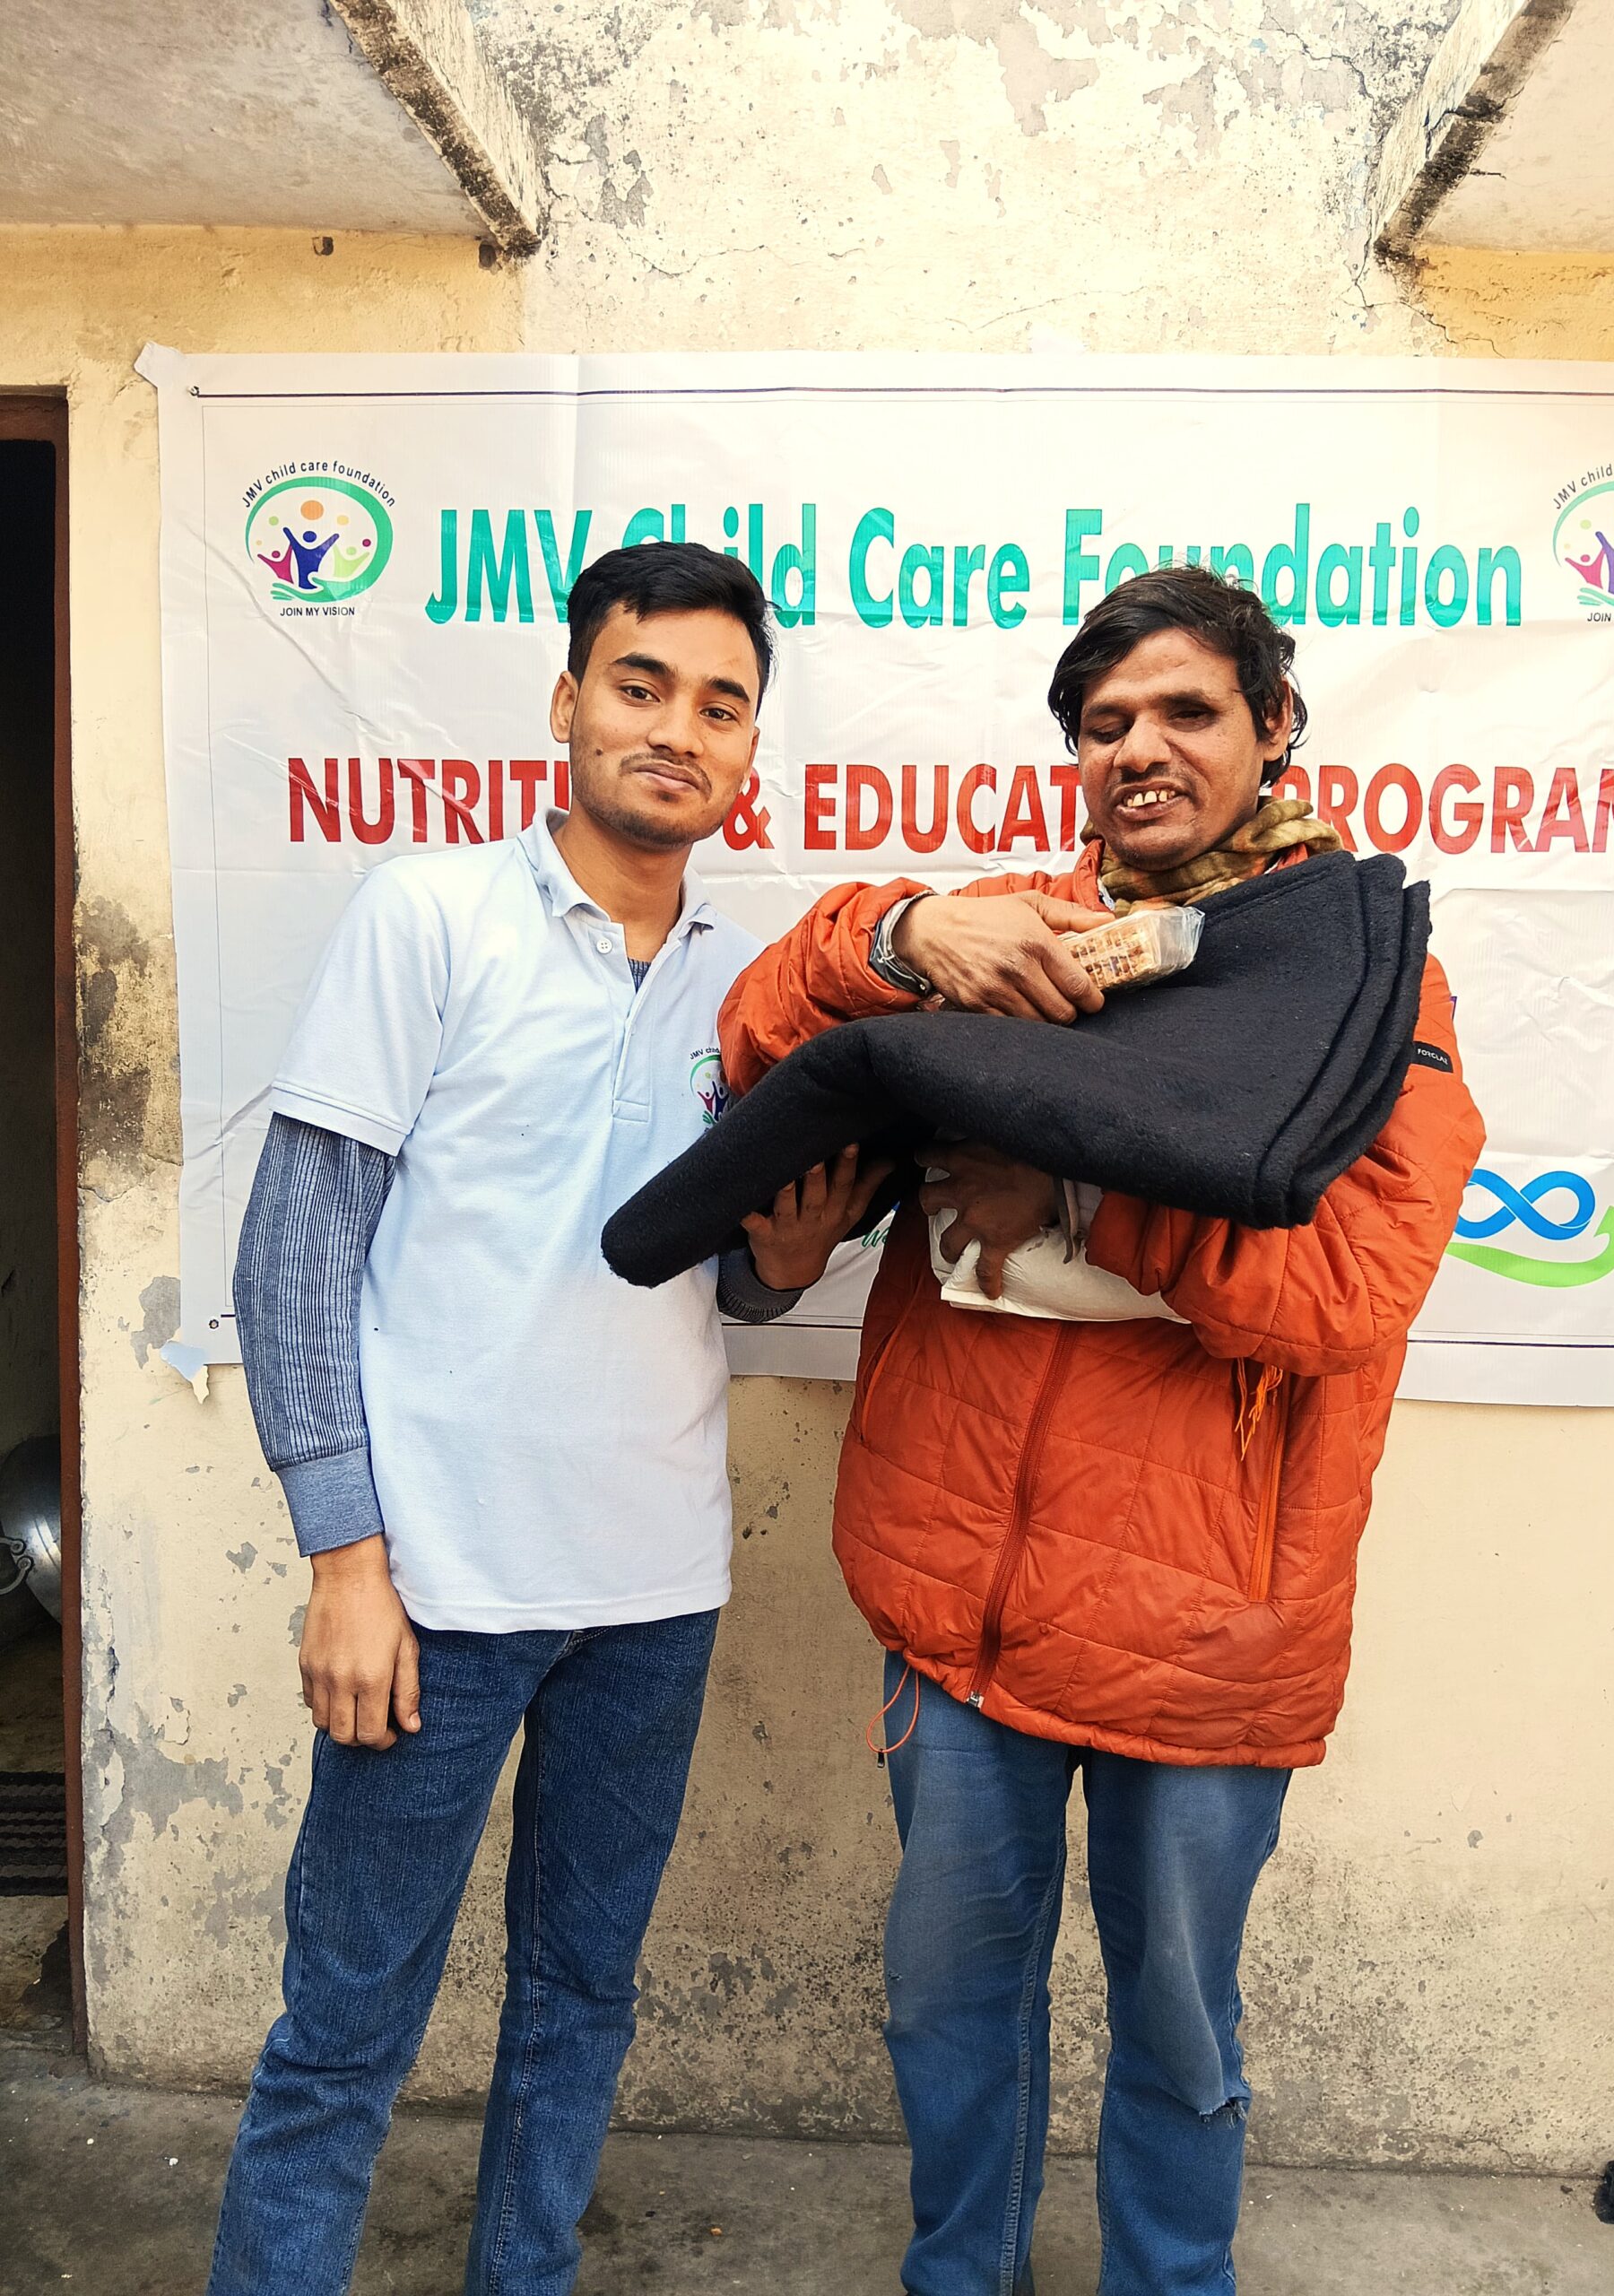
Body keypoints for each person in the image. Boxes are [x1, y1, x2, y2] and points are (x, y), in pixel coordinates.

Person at [719, 565, 1485, 2296]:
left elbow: (1354, 1284)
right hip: (962, 1618)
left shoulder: (1367, 985)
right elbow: (763, 1027)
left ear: (1275, 730)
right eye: (1104, 724)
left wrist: (1076, 1196)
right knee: (951, 2025)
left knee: (1177, 2038)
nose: (1139, 749)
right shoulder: (1021, 938)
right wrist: (902, 931)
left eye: (1186, 712)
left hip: (1206, 1647)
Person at [207, 543, 879, 2296]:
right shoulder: (426, 916)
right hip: (432, 1586)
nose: (678, 728)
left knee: (579, 2002)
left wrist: (785, 1268)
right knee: (345, 2030)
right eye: (641, 684)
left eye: (719, 702)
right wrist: (345, 1555)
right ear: (567, 699)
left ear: (752, 746)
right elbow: (295, 1258)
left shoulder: (754, 991)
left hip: (649, 1590)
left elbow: (708, 1287)